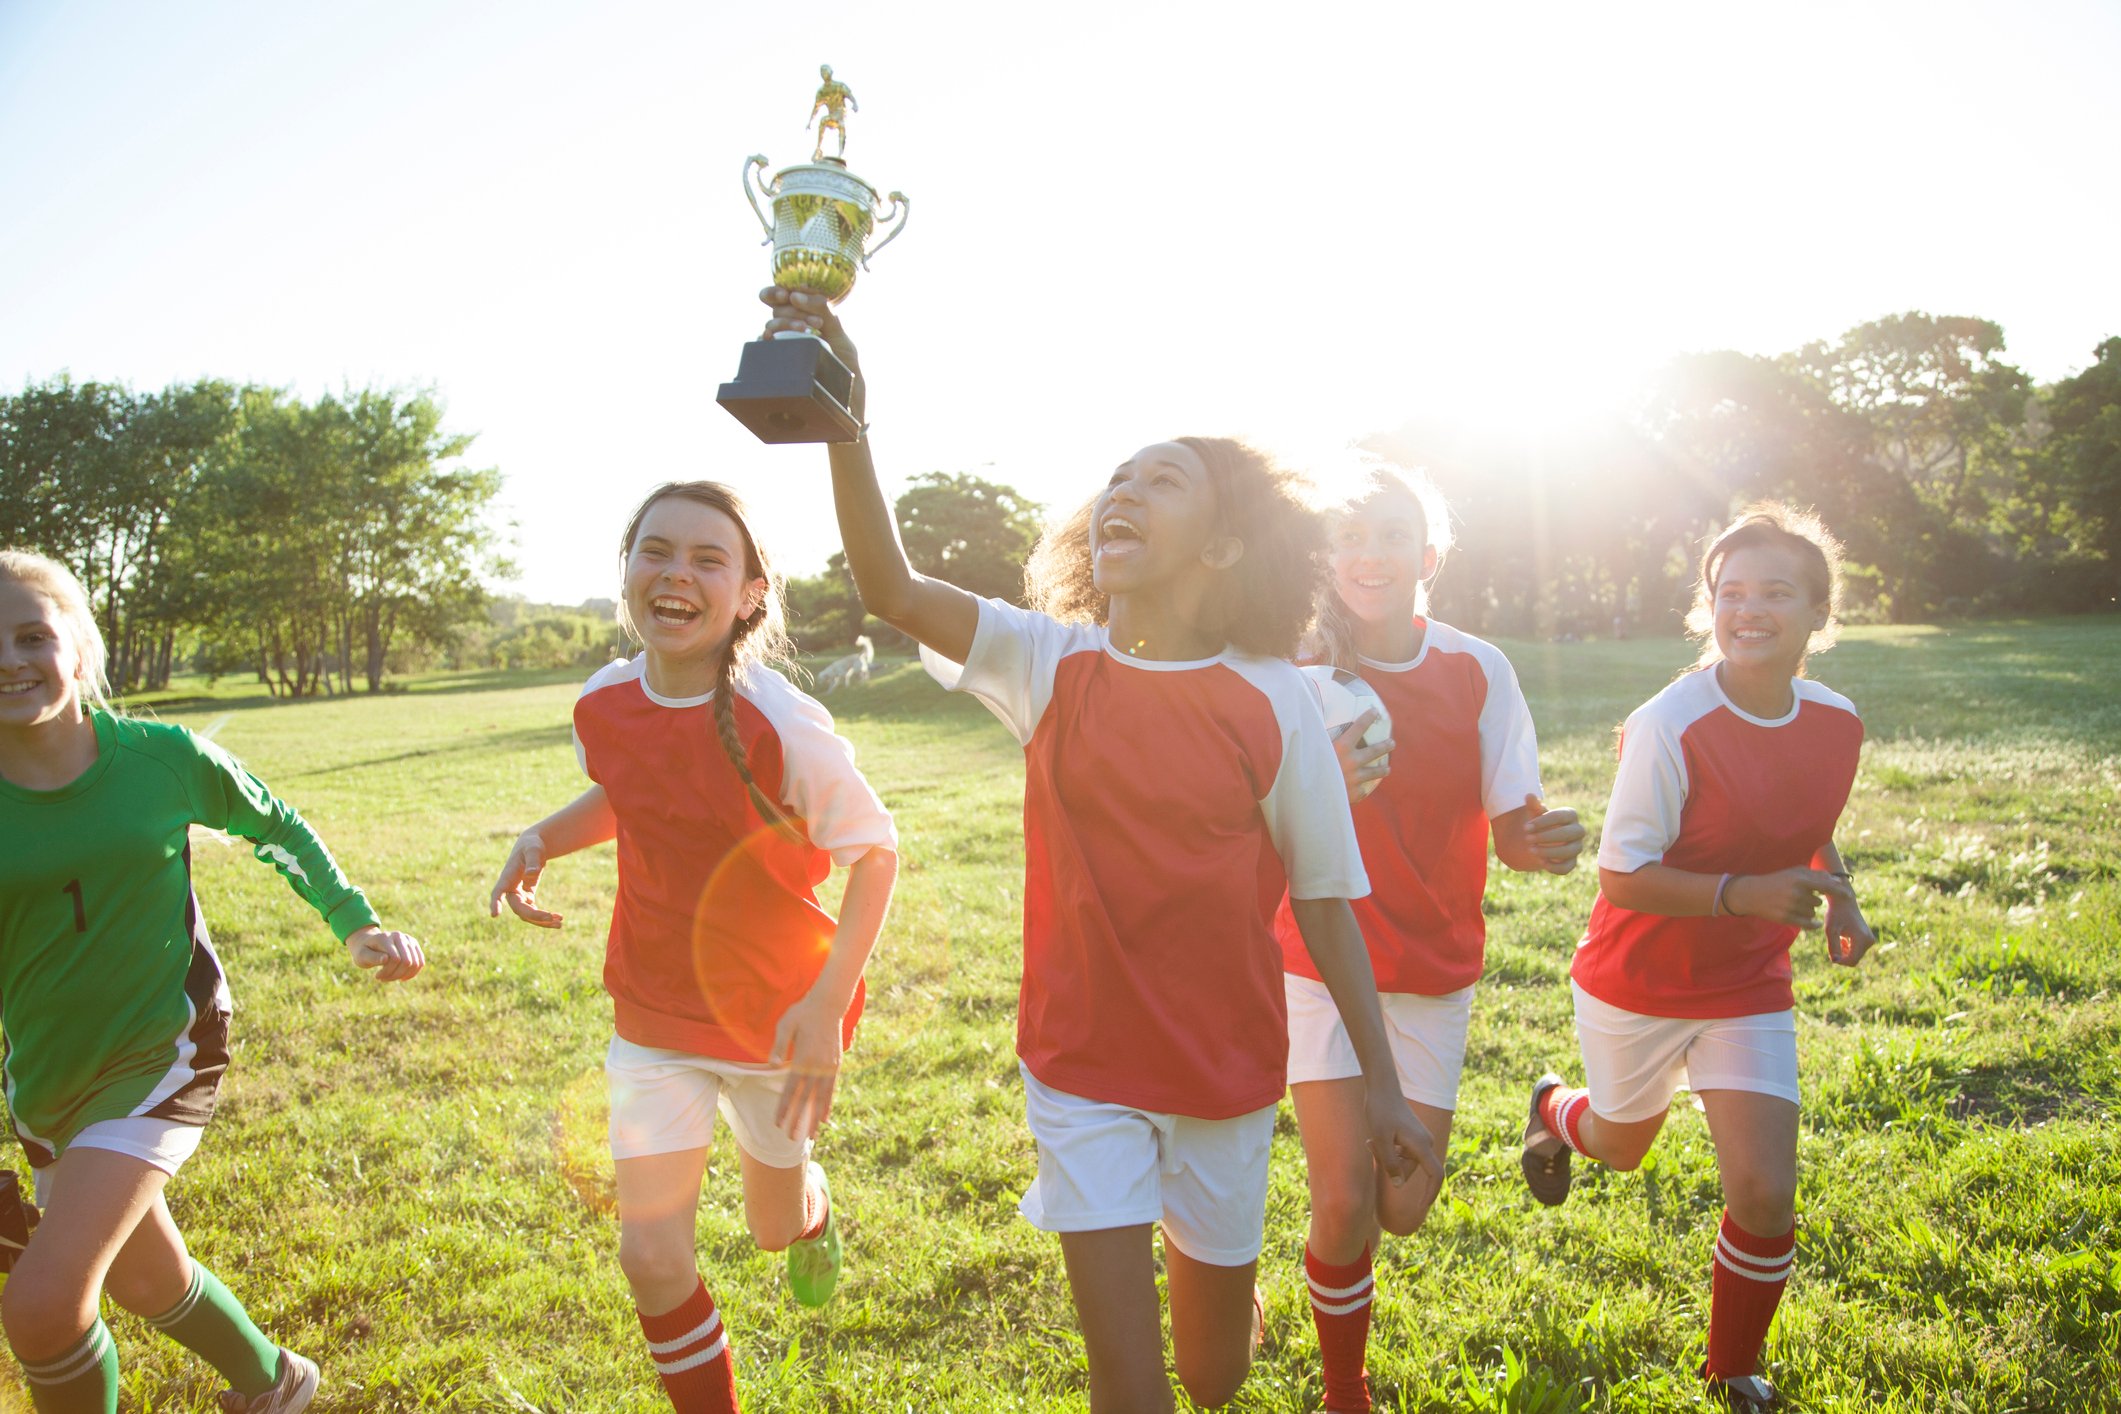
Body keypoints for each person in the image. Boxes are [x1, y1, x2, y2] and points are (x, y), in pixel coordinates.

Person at [759, 285, 1439, 1414]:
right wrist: (848, 423)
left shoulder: (1274, 705)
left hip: (1223, 1073)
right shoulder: (1047, 661)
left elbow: (1324, 906)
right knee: (1132, 1385)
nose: (1123, 487)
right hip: (1080, 1066)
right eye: (1116, 476)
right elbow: (888, 585)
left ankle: (1230, 1301)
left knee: (1213, 1379)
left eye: (1161, 477)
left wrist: (1382, 1086)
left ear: (1225, 543)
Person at [489, 482, 897, 1414]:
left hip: (778, 1023)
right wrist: (543, 836)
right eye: (656, 551)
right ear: (628, 572)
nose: (677, 574)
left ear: (751, 593)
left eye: (708, 559)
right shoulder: (603, 704)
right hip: (655, 1016)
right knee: (651, 1258)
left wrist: (827, 1007)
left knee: (768, 1227)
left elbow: (875, 855)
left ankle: (811, 1208)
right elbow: (634, 793)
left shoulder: (781, 722)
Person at [0, 548, 426, 1414]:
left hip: (163, 1051)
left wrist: (357, 924)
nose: (10, 659)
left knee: (44, 1309)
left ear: (77, 648)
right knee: (146, 1279)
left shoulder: (161, 758)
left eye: (32, 635)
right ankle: (277, 1383)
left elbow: (278, 825)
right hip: (45, 1078)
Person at [1518, 504, 1876, 1411]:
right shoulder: (1671, 721)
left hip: (1748, 981)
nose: (1748, 610)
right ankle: (1555, 1110)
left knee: (1763, 1190)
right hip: (1638, 979)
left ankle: (1732, 1365)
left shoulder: (1836, 722)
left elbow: (1809, 819)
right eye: (1731, 593)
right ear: (1707, 607)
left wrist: (1842, 896)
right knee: (1621, 1146)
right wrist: (1742, 893)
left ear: (1816, 615)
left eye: (1775, 593)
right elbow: (1621, 873)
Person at [1278, 466, 1585, 1414]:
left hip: (1431, 967)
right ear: (1320, 556)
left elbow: (1512, 829)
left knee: (1400, 1208)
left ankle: (1543, 1109)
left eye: (1391, 534)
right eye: (1347, 536)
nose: (1367, 554)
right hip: (1317, 963)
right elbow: (1234, 818)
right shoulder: (1287, 670)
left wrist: (1543, 843)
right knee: (1340, 1203)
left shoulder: (1476, 668)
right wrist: (1315, 779)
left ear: (1429, 554)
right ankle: (1345, 1389)